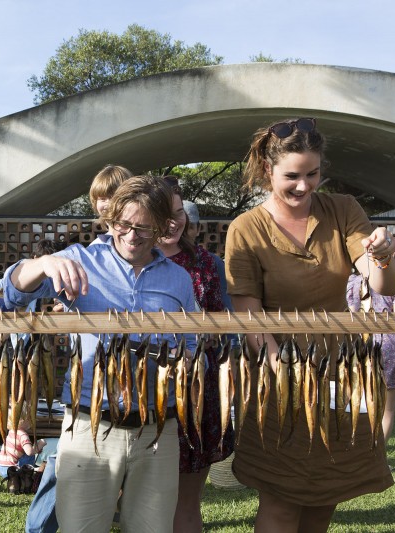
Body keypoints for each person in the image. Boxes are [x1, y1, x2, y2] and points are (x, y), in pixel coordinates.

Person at [225, 117, 395, 533]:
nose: (304, 187)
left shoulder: (342, 209)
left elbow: (383, 285)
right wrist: (280, 369)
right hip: (277, 378)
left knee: (326, 496)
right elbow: (249, 316)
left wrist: (383, 255)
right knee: (283, 500)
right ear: (268, 171)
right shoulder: (246, 229)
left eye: (313, 174)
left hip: (343, 373)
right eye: (292, 176)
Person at [4, 175, 198, 533]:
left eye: (144, 227)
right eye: (124, 224)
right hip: (90, 426)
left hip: (159, 430)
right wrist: (41, 264)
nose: (131, 236)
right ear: (110, 220)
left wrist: (186, 357)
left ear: (160, 227)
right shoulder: (79, 260)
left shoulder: (179, 280)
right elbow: (13, 294)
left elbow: (192, 346)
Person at [157, 180, 234, 533]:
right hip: (142, 395)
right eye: (163, 214)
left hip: (198, 392)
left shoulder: (206, 262)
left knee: (186, 506)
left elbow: (226, 326)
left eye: (178, 214)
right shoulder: (121, 263)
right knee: (141, 505)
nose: (173, 222)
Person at [346, 270, 395, 446]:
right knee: (387, 409)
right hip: (391, 345)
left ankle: (360, 452)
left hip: (362, 346)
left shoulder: (354, 280)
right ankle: (378, 456)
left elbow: (352, 315)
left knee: (362, 403)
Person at [183, 199, 233, 311]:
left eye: (190, 227)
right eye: (181, 225)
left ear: (198, 229)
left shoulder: (213, 263)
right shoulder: (158, 261)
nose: (184, 231)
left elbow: (226, 309)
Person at [0, 404, 46, 480]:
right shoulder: (22, 434)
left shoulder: (11, 431)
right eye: (30, 419)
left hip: (0, 467)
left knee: (25, 450)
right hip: (12, 470)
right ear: (22, 420)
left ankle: (27, 470)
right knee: (30, 455)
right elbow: (30, 452)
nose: (32, 422)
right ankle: (28, 471)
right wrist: (40, 443)